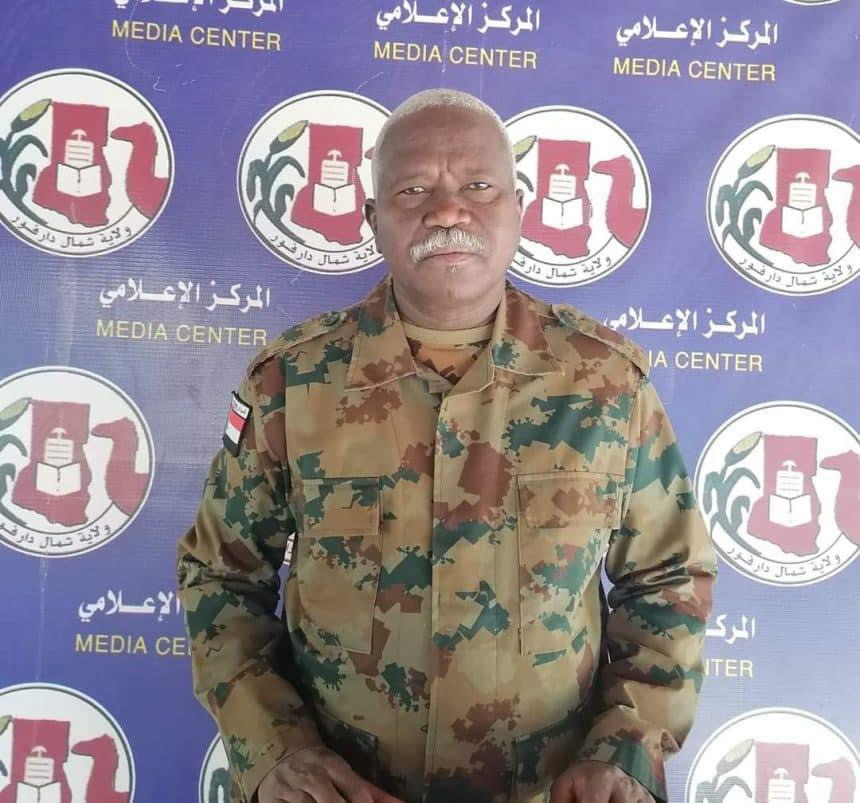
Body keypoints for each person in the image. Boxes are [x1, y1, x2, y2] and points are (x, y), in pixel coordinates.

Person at [177, 88, 717, 803]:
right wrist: (275, 748)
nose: (447, 211)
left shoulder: (605, 384)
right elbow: (221, 576)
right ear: (372, 220)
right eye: (413, 190)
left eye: (478, 186)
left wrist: (627, 751)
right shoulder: (292, 384)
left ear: (519, 208)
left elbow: (668, 577)